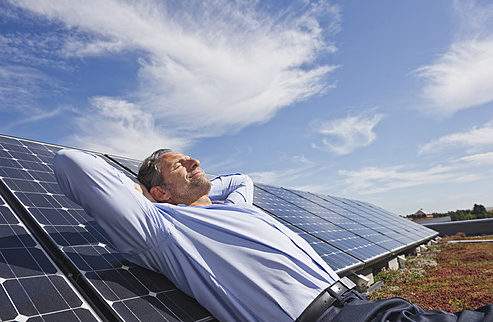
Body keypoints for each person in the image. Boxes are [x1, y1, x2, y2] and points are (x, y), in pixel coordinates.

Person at [53, 148, 493, 322]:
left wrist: (195, 189)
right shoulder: (163, 230)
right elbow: (72, 163)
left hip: (360, 306)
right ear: (158, 191)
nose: (193, 161)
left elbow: (241, 178)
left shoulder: (235, 207)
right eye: (178, 164)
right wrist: (149, 200)